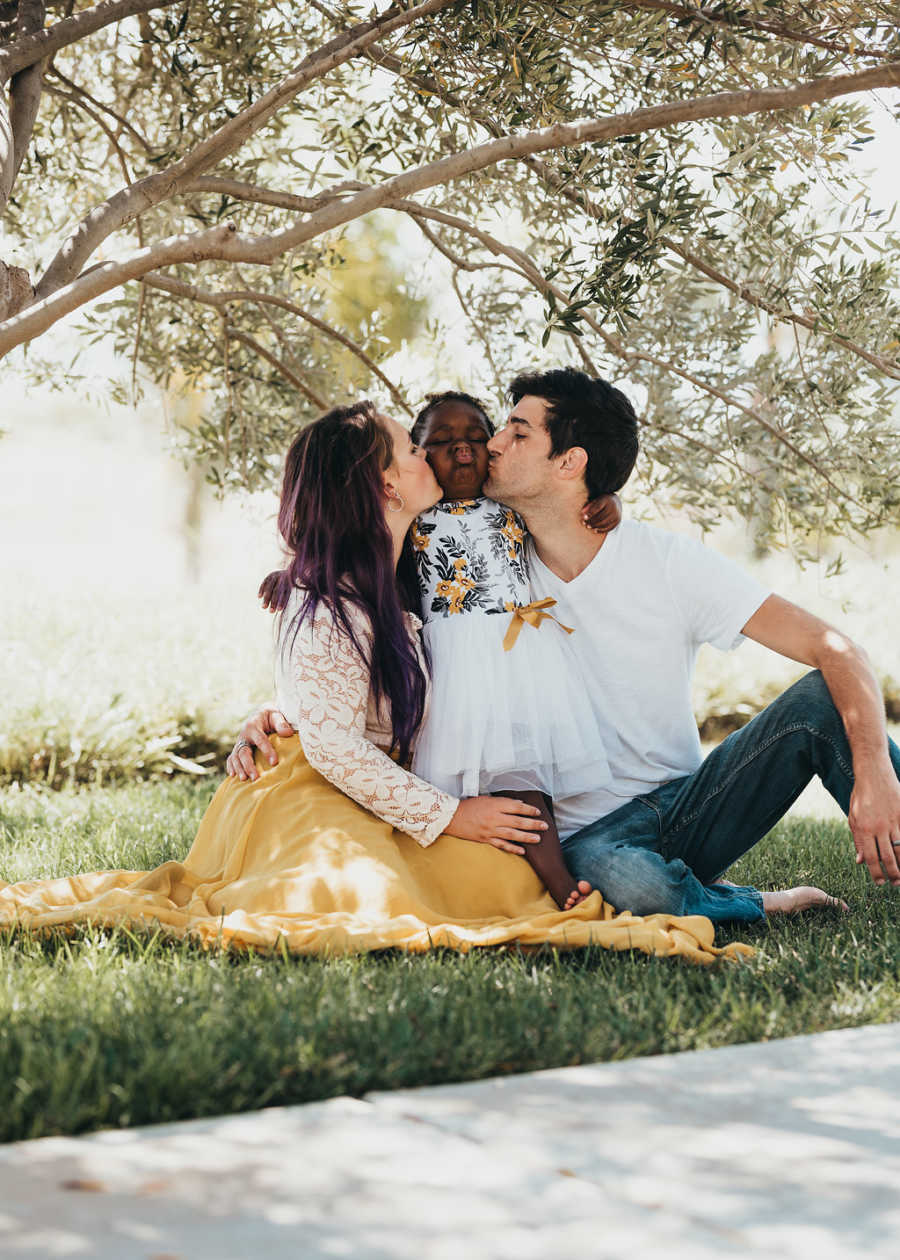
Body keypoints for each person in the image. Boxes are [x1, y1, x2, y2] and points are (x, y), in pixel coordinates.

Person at [0, 399, 750, 962]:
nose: (442, 457)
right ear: (387, 483)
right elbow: (331, 743)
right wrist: (451, 815)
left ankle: (692, 897)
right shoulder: (330, 597)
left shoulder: (399, 570)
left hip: (367, 783)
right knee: (395, 894)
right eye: (411, 449)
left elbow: (340, 696)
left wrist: (600, 503)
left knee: (508, 862)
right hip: (312, 797)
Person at [237, 368, 900, 919]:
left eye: (514, 432)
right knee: (626, 882)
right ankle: (754, 904)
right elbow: (359, 631)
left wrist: (873, 772)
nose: (491, 444)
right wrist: (284, 710)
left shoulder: (663, 562)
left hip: (685, 804)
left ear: (570, 463)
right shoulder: (480, 558)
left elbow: (835, 648)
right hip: (578, 840)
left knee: (821, 702)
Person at [407, 391, 615, 910]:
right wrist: (296, 575)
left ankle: (558, 883)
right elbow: (349, 550)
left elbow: (565, 500)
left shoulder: (509, 504)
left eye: (476, 440)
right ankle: (473, 887)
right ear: (417, 453)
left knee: (524, 775)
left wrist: (609, 500)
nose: (463, 452)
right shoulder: (414, 516)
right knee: (458, 784)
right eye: (443, 442)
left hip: (518, 656)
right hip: (453, 662)